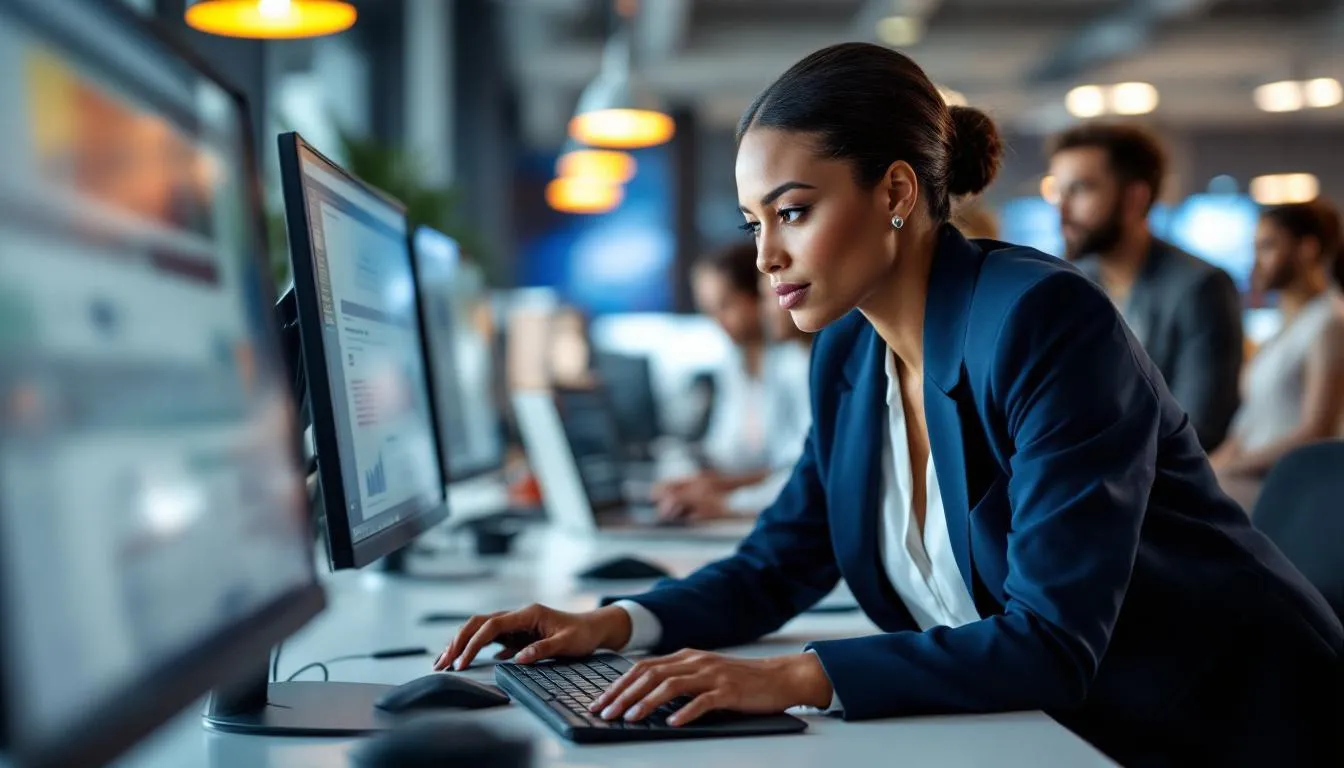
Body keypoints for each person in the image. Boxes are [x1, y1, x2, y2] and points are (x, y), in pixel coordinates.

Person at [435, 43, 1343, 766]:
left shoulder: (1042, 322)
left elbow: (1053, 642)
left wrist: (791, 676)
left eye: (792, 212)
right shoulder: (847, 351)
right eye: (756, 223)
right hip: (1053, 736)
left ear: (897, 192)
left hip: (1216, 725)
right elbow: (776, 563)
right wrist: (609, 623)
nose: (765, 259)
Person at [1048, 123, 1243, 450]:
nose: (1062, 210)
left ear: (1134, 199)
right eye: (1059, 192)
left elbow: (1200, 428)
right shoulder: (1069, 283)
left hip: (1164, 488)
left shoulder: (1200, 286)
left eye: (1080, 189)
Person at [651, 242, 811, 521]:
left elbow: (799, 467)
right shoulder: (734, 364)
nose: (717, 322)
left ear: (757, 297)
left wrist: (727, 500)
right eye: (709, 310)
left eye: (725, 305)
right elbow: (727, 451)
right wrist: (705, 482)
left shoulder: (796, 361)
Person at [1211, 200, 1344, 486]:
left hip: (1289, 489)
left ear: (1307, 249)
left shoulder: (1330, 322)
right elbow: (1246, 430)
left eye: (1268, 246)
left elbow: (1316, 432)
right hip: (1251, 479)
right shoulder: (1281, 332)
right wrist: (1203, 471)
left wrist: (1229, 469)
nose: (1256, 261)